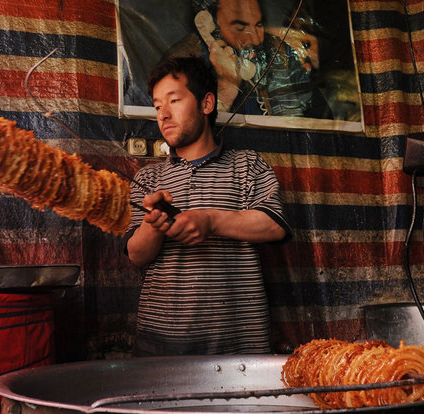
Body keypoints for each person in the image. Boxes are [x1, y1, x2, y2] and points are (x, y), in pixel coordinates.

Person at [124, 56, 292, 356]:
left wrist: (211, 221)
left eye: (174, 100)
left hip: (239, 347)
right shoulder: (148, 178)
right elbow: (136, 256)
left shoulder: (247, 165)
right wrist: (154, 225)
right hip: (162, 346)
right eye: (158, 106)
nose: (163, 115)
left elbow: (275, 225)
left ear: (206, 104)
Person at [164, 0, 330, 118]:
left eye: (258, 25)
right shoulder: (182, 62)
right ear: (208, 23)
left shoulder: (279, 52)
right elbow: (187, 136)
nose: (256, 40)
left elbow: (321, 118)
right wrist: (227, 87)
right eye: (240, 27)